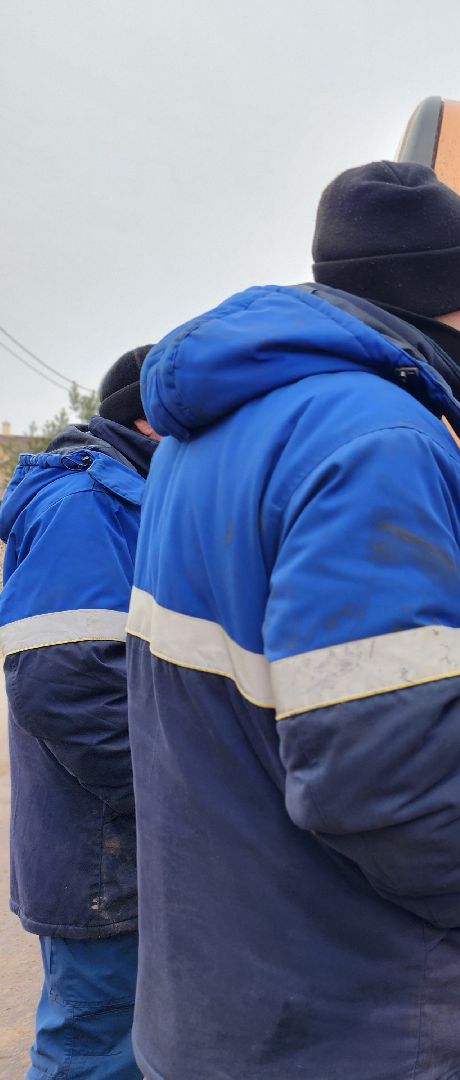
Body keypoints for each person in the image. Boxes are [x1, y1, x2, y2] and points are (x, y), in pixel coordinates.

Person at [125, 161, 460, 1079]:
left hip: (224, 980)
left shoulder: (204, 434)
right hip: (337, 1001)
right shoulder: (379, 442)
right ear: (424, 294)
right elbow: (381, 768)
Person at [0, 346, 160, 1080]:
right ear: (151, 419)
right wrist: (171, 800)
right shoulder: (87, 505)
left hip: (118, 848)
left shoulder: (127, 497)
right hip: (104, 854)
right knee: (97, 1053)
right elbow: (63, 685)